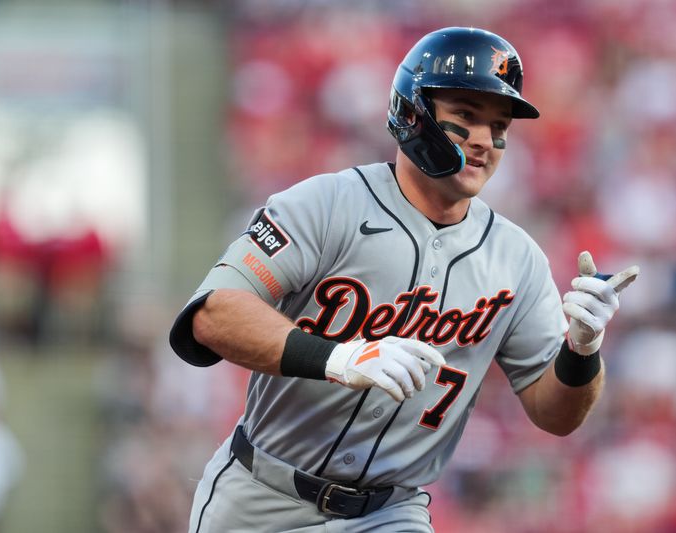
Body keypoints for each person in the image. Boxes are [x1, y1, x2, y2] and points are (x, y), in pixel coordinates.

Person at [169, 26, 639, 533]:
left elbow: (557, 416)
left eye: (498, 126)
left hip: (389, 513)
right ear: (413, 112)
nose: (484, 140)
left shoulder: (518, 258)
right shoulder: (327, 204)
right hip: (262, 495)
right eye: (466, 116)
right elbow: (212, 315)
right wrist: (341, 358)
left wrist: (581, 350)